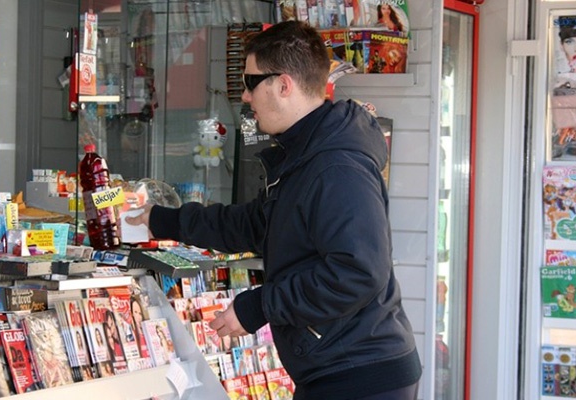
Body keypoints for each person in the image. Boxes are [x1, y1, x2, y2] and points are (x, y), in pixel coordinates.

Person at [127, 20, 421, 399]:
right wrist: (161, 219)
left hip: (358, 375)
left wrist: (259, 305)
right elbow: (255, 223)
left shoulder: (336, 167)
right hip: (340, 367)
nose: (245, 98)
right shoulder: (306, 153)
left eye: (250, 83)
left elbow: (359, 272)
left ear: (283, 85)